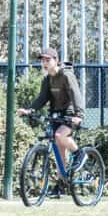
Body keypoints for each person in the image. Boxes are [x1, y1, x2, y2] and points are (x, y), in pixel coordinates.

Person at [17, 47, 86, 176]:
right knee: (60, 154)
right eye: (43, 60)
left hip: (70, 114)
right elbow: (42, 98)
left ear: (56, 60)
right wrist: (29, 110)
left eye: (47, 60)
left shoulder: (66, 75)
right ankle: (61, 184)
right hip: (56, 114)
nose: (45, 63)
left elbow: (75, 94)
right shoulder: (47, 79)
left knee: (60, 135)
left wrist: (79, 115)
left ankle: (79, 153)